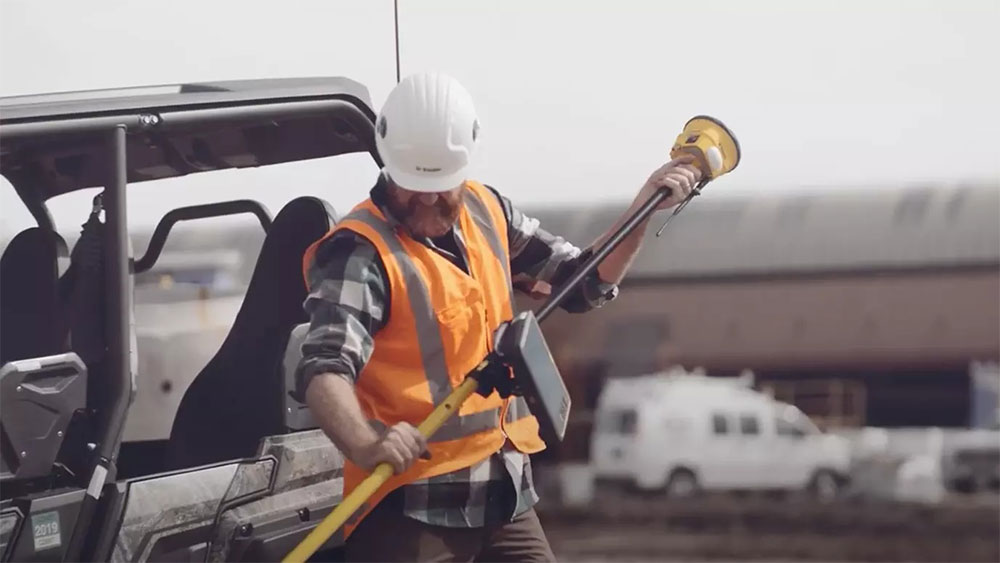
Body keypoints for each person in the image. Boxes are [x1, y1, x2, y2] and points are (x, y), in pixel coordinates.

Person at [295, 72, 702, 562]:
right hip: (412, 501)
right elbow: (324, 367)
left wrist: (644, 207)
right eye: (412, 185)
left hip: (503, 491)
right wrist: (366, 442)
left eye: (440, 185)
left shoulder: (488, 211)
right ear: (388, 162)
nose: (426, 198)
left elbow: (583, 282)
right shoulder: (359, 251)